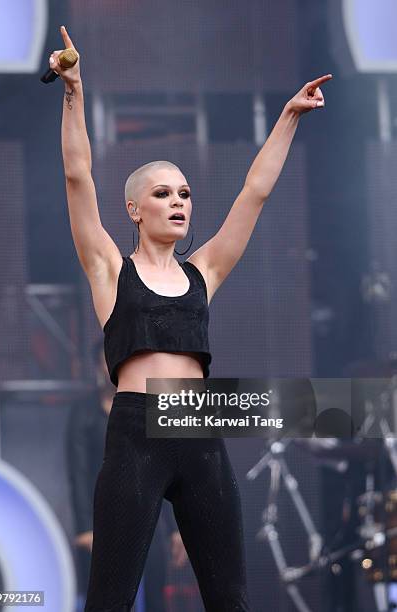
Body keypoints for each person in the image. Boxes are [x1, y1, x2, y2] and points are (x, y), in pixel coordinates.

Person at [50, 24, 332, 612]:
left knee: (230, 597)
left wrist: (288, 118)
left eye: (183, 192)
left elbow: (253, 193)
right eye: (162, 194)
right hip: (136, 429)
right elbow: (79, 176)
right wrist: (72, 89)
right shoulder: (109, 267)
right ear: (133, 210)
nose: (178, 201)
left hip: (198, 424)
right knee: (110, 599)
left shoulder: (203, 271)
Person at [66, 340, 187, 611]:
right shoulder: (84, 412)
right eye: (107, 362)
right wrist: (85, 528)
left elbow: (168, 468)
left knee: (155, 593)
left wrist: (178, 527)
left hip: (149, 513)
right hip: (103, 517)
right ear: (99, 366)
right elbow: (78, 472)